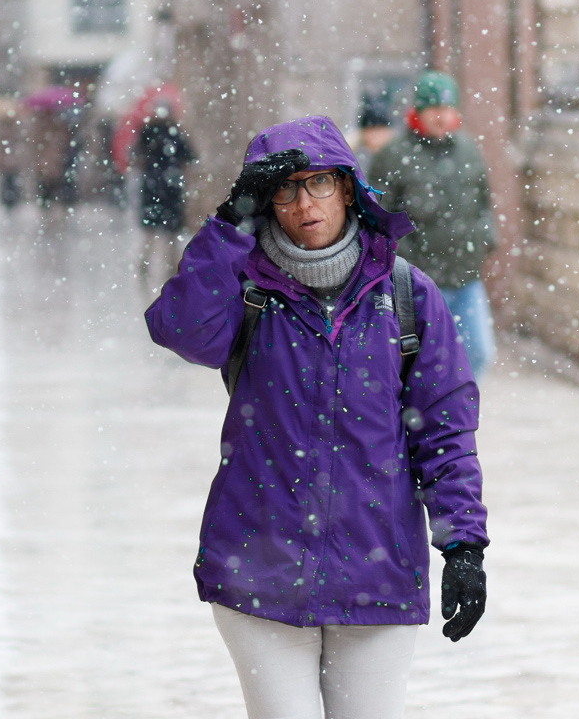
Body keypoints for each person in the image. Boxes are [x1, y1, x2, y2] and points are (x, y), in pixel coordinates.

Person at [145, 116, 488, 719]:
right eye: (285, 189)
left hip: (376, 572)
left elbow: (445, 430)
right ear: (266, 204)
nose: (305, 203)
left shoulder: (407, 297)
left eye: (320, 184)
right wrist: (228, 226)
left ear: (349, 188)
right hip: (260, 572)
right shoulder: (246, 292)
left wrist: (463, 545)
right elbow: (178, 327)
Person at [370, 71, 497, 379]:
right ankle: (419, 419)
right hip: (418, 284)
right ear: (418, 112)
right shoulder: (394, 155)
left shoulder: (468, 150)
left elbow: (483, 201)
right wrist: (406, 258)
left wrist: (486, 238)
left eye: (448, 109)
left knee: (478, 352)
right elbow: (377, 217)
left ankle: (455, 414)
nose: (442, 117)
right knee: (420, 362)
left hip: (465, 275)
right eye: (435, 110)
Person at [130, 97, 196, 289]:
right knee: (169, 229)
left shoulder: (147, 132)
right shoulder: (175, 132)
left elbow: (136, 156)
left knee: (152, 229)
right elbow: (190, 158)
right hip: (170, 185)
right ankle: (169, 263)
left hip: (154, 185)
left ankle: (146, 262)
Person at [352, 92, 395, 171]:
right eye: (371, 129)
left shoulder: (396, 157)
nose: (375, 135)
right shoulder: (353, 159)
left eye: (379, 129)